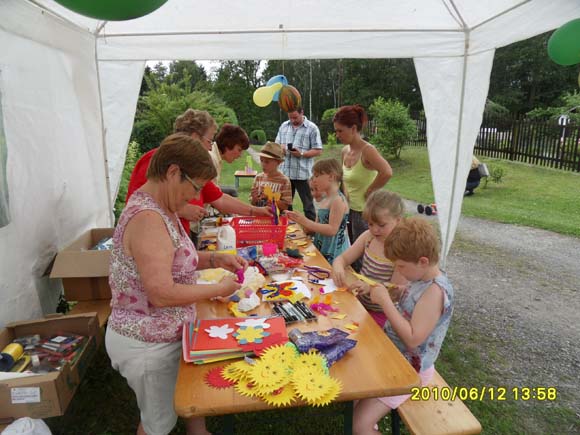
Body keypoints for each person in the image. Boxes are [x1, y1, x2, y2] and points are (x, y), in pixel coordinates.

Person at [106, 133, 248, 435]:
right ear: (173, 173)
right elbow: (161, 293)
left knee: (166, 411)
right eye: (194, 187)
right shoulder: (148, 218)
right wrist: (218, 289)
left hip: (161, 333)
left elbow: (172, 257)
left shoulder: (159, 206)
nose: (194, 197)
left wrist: (214, 260)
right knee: (157, 424)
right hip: (146, 343)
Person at [352, 217, 454, 435]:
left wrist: (386, 302)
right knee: (355, 390)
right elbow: (410, 303)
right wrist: (395, 293)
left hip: (410, 372)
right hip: (393, 358)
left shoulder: (434, 292)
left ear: (423, 261)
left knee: (359, 426)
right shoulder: (420, 278)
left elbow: (413, 338)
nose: (399, 271)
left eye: (400, 266)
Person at [126, 109, 271, 238]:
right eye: (209, 140)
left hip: (181, 238)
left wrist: (255, 211)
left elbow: (219, 199)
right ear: (195, 137)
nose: (210, 147)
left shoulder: (191, 166)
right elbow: (138, 205)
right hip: (156, 240)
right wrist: (181, 210)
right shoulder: (156, 160)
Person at [331, 191, 407, 327]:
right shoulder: (368, 237)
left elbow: (395, 291)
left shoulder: (401, 251)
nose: (375, 230)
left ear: (398, 220)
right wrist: (338, 267)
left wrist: (371, 287)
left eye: (381, 225)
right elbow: (342, 258)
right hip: (359, 303)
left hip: (382, 314)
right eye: (370, 224)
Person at [334, 105, 393, 248]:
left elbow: (387, 172)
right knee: (350, 248)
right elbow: (343, 179)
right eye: (336, 131)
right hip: (349, 210)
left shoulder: (368, 150)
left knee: (363, 253)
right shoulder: (345, 151)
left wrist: (371, 190)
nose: (337, 135)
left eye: (340, 131)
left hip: (364, 213)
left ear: (353, 129)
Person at [286, 158, 350, 263]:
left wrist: (305, 221)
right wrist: (299, 221)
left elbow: (332, 230)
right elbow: (316, 227)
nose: (314, 180)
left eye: (317, 175)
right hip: (322, 247)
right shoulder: (326, 199)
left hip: (334, 254)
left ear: (331, 177)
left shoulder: (337, 200)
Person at [276, 107, 323, 221]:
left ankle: (311, 231)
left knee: (308, 205)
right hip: (285, 174)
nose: (292, 120)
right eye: (290, 117)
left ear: (302, 112)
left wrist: (301, 153)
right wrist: (280, 148)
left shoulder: (312, 128)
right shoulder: (284, 126)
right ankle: (288, 230)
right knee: (285, 205)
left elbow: (318, 150)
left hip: (303, 174)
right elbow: (276, 144)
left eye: (295, 117)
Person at [210, 123, 251, 197]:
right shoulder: (212, 159)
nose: (240, 155)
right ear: (228, 144)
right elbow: (213, 197)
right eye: (239, 150)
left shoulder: (216, 156)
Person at [250, 142, 292, 211]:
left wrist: (269, 198)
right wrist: (254, 199)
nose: (263, 164)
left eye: (267, 162)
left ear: (278, 162)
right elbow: (253, 203)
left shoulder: (284, 181)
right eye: (261, 160)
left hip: (275, 219)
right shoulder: (258, 178)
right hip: (259, 217)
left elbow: (285, 206)